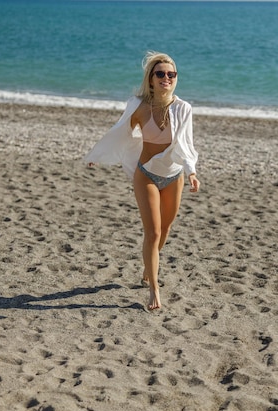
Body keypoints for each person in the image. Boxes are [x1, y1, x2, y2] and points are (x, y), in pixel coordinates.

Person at [85, 51, 201, 310]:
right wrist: (99, 155)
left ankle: (150, 266)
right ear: (150, 79)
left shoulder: (183, 109)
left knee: (167, 229)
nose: (166, 78)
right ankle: (153, 288)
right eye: (160, 73)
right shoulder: (137, 105)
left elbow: (187, 145)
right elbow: (119, 133)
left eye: (171, 74)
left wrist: (191, 171)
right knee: (154, 231)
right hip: (145, 174)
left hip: (174, 176)